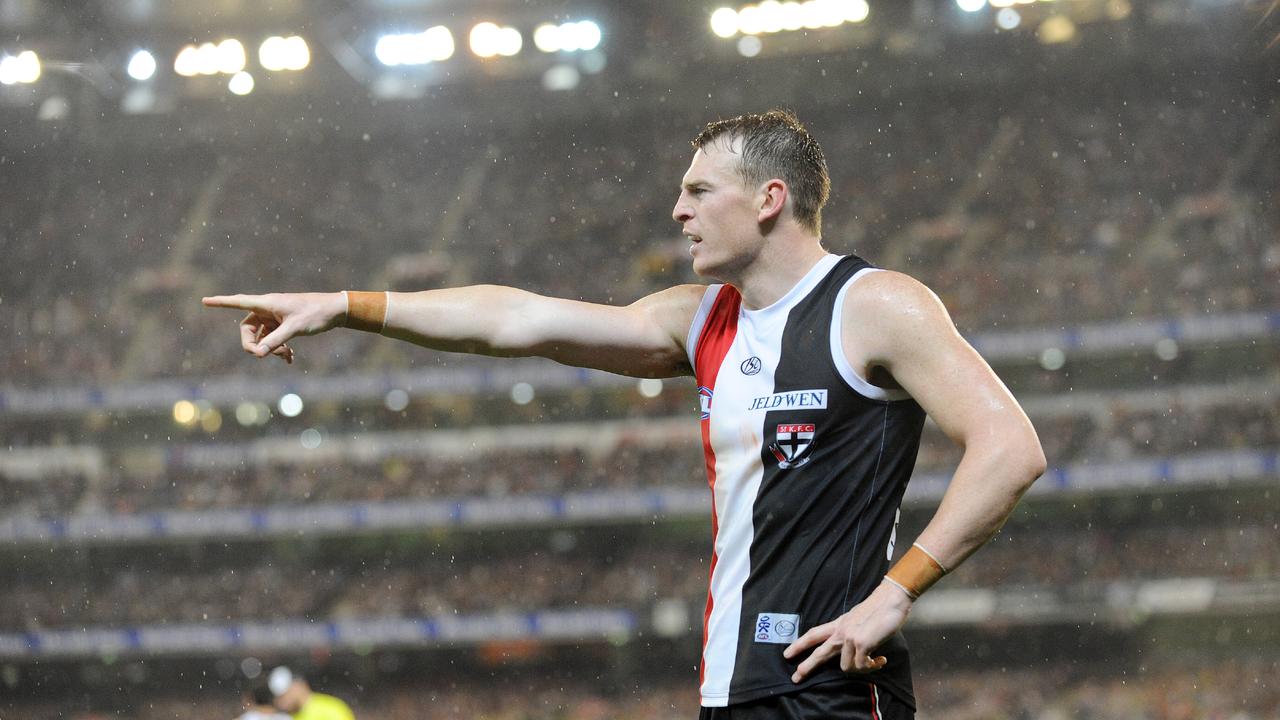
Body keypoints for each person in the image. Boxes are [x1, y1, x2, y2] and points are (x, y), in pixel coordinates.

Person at [204, 109, 1046, 719]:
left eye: (697, 191)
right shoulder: (699, 317)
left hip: (830, 685)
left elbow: (1009, 447)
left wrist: (896, 594)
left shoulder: (876, 305)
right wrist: (343, 304)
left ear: (768, 199)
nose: (677, 212)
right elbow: (519, 319)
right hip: (732, 683)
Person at [265, 666, 356, 720]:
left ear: (299, 685)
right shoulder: (287, 717)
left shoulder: (332, 709)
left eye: (285, 693)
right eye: (278, 696)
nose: (282, 701)